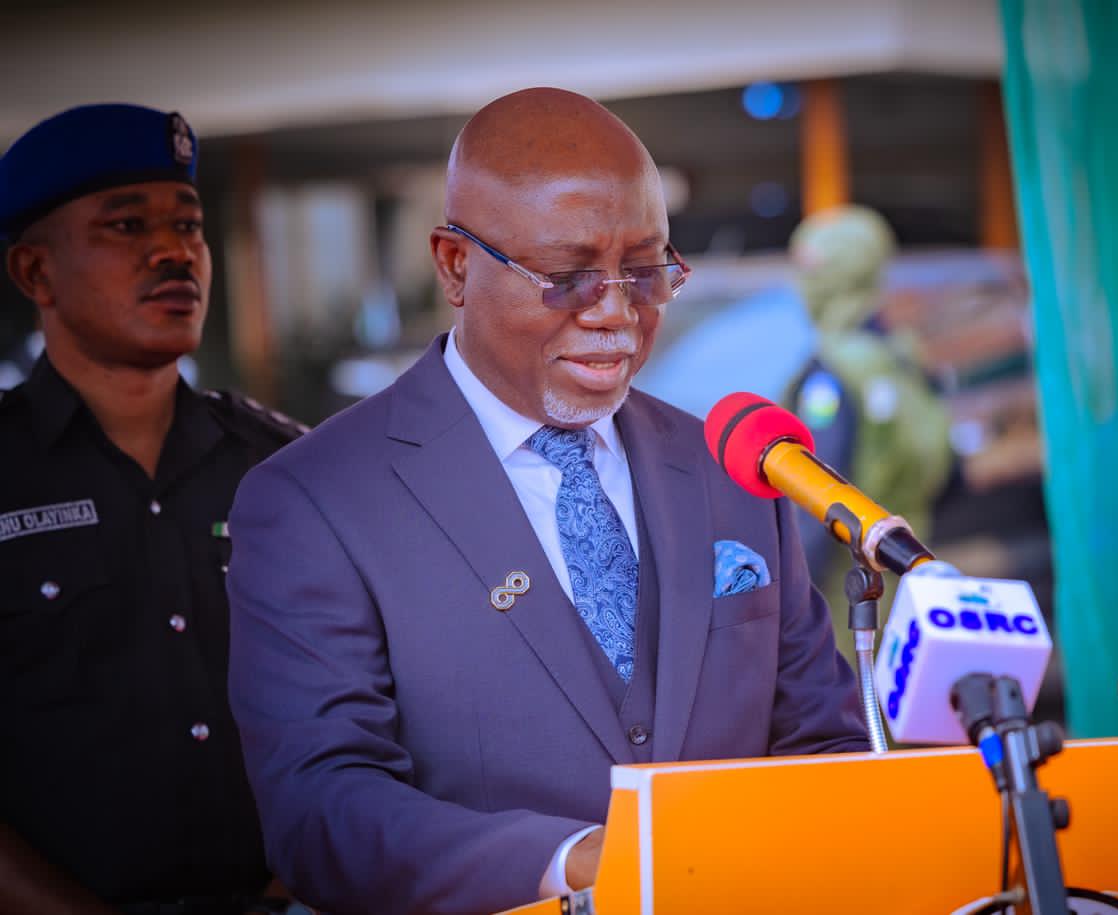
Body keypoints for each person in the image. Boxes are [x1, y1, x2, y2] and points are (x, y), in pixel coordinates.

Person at [225, 87, 870, 915]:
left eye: (646, 271)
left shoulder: (729, 469)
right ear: (455, 267)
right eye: (568, 278)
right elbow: (322, 812)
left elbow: (825, 738)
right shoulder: (315, 501)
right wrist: (572, 861)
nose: (617, 313)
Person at [0, 104, 305, 914]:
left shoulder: (281, 468)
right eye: (128, 225)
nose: (174, 251)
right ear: (35, 273)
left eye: (189, 224)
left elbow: (374, 702)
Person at [782, 205, 954, 650]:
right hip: (901, 573)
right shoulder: (898, 357)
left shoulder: (832, 374)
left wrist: (789, 605)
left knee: (852, 691)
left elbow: (816, 496)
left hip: (846, 595)